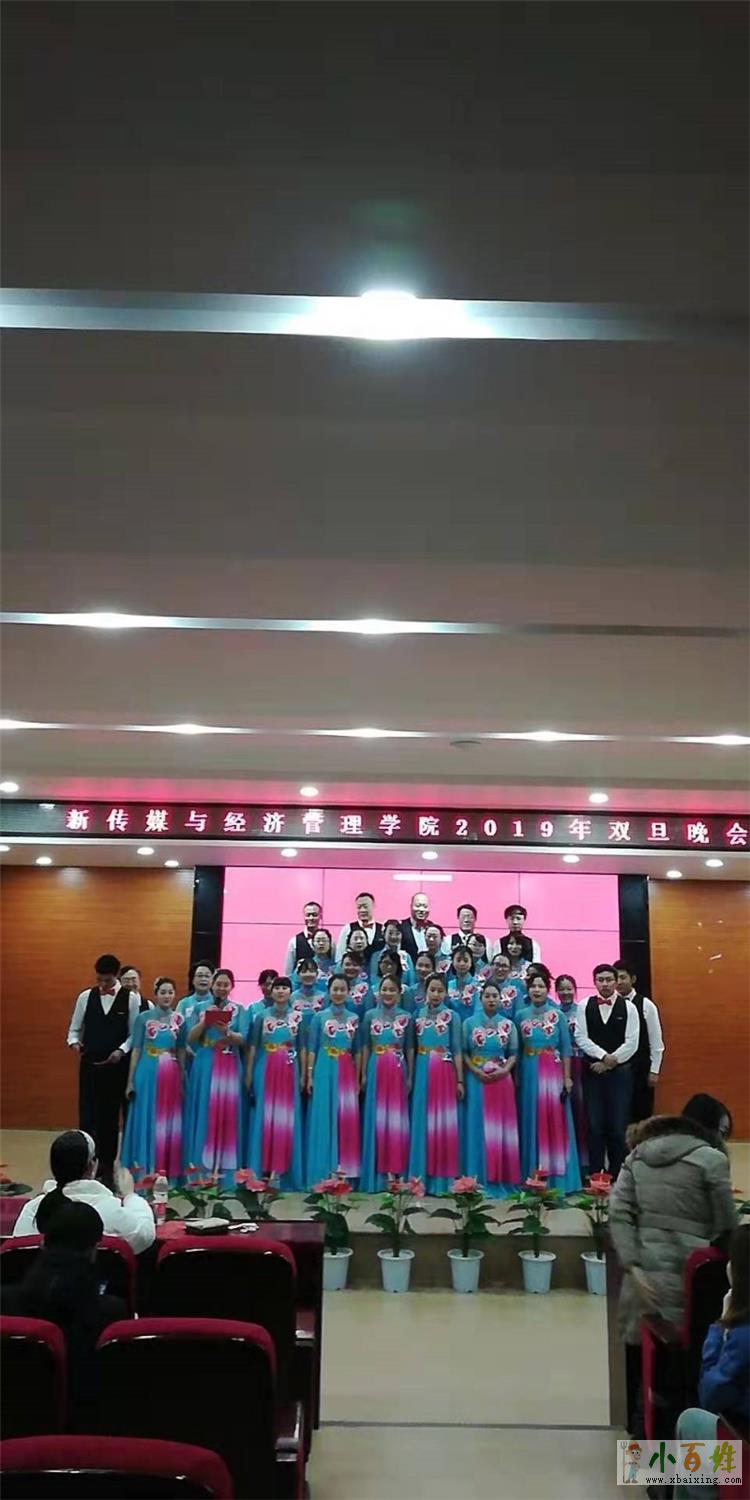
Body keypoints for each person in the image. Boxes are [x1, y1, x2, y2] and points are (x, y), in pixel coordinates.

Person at [609, 1095, 738, 1435]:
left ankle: (642, 1459)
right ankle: (681, 1464)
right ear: (709, 1128)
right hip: (692, 1288)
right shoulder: (711, 1160)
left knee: (643, 1382)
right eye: (723, 1131)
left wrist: (634, 1267)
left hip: (643, 1288)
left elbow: (618, 1214)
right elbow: (727, 1228)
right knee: (684, 1386)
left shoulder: (638, 1155)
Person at [2, 1195, 126, 1431]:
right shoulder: (111, 1312)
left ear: (42, 1244)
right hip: (86, 1434)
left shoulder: (4, 1303)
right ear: (94, 1251)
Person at [673, 1223, 749, 1498]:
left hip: (743, 1454)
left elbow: (710, 1396)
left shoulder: (743, 1336)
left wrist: (720, 1327)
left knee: (690, 1422)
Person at [13, 1128, 155, 1253]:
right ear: (92, 1166)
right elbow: (144, 1235)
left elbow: (19, 1252)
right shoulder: (111, 1209)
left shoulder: (33, 1210)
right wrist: (130, 1195)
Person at [67, 953, 141, 1188]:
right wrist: (74, 1043)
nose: (102, 984)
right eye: (99, 979)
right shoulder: (85, 997)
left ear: (116, 975)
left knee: (109, 1121)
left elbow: (134, 1035)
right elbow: (73, 1030)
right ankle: (84, 1167)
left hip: (116, 1068)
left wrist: (121, 1050)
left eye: (107, 980)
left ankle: (107, 1171)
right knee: (88, 1117)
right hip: (90, 1066)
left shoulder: (131, 999)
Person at [516, 973, 581, 1192]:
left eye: (541, 986)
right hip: (528, 1072)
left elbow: (566, 1049)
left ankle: (559, 1180)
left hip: (553, 1072)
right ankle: (532, 1176)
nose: (537, 990)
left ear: (548, 989)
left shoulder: (557, 1015)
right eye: (533, 986)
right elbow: (516, 1050)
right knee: (532, 1119)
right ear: (528, 990)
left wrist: (567, 1077)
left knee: (555, 1121)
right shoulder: (520, 1015)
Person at [183, 968, 246, 1186]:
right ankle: (200, 1170)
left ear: (231, 987)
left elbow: (243, 1039)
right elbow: (189, 1038)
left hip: (229, 1062)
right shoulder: (199, 1007)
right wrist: (205, 1022)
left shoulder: (239, 1009)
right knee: (205, 1110)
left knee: (227, 1112)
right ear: (212, 985)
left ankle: (225, 1170)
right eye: (218, 984)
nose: (221, 988)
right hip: (205, 1062)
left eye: (226, 985)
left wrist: (226, 1031)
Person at [121, 977, 187, 1183]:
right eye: (163, 992)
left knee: (168, 1119)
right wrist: (130, 1080)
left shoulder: (180, 1020)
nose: (167, 996)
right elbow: (136, 1049)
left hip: (171, 1073)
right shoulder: (143, 1018)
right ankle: (143, 1169)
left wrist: (183, 1075)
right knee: (146, 1116)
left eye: (170, 992)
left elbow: (182, 1050)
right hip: (147, 1071)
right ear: (156, 994)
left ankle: (164, 1170)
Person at [575, 963, 639, 1178]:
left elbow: (632, 1042)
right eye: (601, 980)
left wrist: (611, 1062)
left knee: (618, 1126)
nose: (605, 984)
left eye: (609, 979)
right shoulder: (584, 1005)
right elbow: (581, 1037)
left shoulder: (629, 1007)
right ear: (594, 982)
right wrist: (603, 1056)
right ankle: (595, 1173)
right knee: (594, 1125)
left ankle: (617, 1174)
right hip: (592, 1072)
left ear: (616, 981)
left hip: (620, 1074)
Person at [245, 975, 304, 1189]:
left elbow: (303, 1047)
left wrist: (304, 1075)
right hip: (265, 1068)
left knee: (286, 1118)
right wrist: (249, 1073)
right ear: (271, 991)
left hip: (289, 1069)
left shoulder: (298, 1017)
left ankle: (281, 1173)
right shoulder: (261, 1017)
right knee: (265, 1116)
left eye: (284, 988)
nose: (280, 991)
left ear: (290, 992)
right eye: (277, 988)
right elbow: (253, 1047)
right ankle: (261, 1171)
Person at [462, 982, 520, 1196]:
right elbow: (463, 1052)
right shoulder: (468, 1023)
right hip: (476, 1079)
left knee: (501, 1129)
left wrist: (505, 1070)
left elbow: (513, 1053)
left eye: (495, 996)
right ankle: (476, 1177)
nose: (491, 999)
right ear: (481, 998)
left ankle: (500, 1176)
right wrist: (474, 1071)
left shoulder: (508, 1024)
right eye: (487, 995)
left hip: (501, 1080)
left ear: (501, 999)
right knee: (476, 1127)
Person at [408, 973, 464, 1194]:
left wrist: (459, 1079)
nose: (436, 994)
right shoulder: (416, 1015)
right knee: (422, 1121)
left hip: (444, 1070)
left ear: (446, 993)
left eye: (440, 990)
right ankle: (420, 1178)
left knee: (443, 1122)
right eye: (432, 990)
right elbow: (411, 1048)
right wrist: (410, 1075)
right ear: (425, 991)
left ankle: (442, 1180)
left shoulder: (453, 1016)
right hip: (422, 1069)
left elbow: (457, 1050)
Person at [305, 975, 362, 1185]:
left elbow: (358, 1051)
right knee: (323, 1115)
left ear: (348, 992)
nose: (338, 993)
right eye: (335, 989)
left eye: (342, 989)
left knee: (344, 1117)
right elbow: (312, 1048)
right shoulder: (319, 1017)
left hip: (346, 1068)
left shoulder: (354, 1018)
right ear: (328, 991)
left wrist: (358, 1078)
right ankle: (321, 1174)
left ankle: (343, 1174)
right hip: (323, 1065)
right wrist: (309, 1075)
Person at [360, 976, 414, 1193]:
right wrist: (363, 1074)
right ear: (379, 992)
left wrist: (410, 1076)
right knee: (377, 1118)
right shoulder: (369, 1016)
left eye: (393, 990)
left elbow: (410, 1048)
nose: (388, 993)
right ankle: (378, 1174)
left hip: (399, 1069)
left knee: (397, 1119)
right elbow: (365, 1046)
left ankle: (396, 1171)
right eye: (385, 989)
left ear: (399, 993)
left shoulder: (407, 1017)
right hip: (376, 1067)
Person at [613, 960, 665, 1125]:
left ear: (633, 979)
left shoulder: (646, 1005)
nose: (619, 982)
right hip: (617, 1069)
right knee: (619, 1114)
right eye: (616, 978)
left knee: (641, 1114)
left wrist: (654, 1070)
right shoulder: (609, 1004)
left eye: (623, 977)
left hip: (641, 1068)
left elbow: (656, 1041)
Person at [554, 975, 588, 1174]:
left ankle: (584, 1163)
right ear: (556, 991)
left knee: (581, 1112)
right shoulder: (553, 1013)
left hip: (580, 1064)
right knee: (563, 1112)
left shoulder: (582, 1011)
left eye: (569, 989)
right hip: (559, 1066)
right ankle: (567, 1161)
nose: (565, 993)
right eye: (562, 989)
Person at [336, 893, 383, 962]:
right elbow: (339, 955)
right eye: (359, 907)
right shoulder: (348, 928)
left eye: (365, 907)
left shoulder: (383, 929)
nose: (362, 910)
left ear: (373, 906)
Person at [368, 918, 416, 987]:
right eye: (390, 933)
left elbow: (412, 981)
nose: (394, 937)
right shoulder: (376, 956)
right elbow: (373, 980)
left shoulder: (406, 957)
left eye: (397, 933)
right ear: (383, 934)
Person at [284, 900, 323, 975]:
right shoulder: (294, 942)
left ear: (320, 916)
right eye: (308, 915)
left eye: (314, 915)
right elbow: (288, 973)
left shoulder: (329, 941)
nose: (311, 918)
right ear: (304, 916)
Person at [175, 960, 214, 1028]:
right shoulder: (183, 1003)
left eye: (207, 976)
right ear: (192, 980)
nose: (203, 979)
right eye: (200, 975)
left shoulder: (217, 1002)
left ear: (212, 980)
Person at [446, 944, 481, 1017]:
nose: (462, 964)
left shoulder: (478, 986)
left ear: (471, 963)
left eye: (465, 960)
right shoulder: (449, 985)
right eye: (458, 960)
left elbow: (478, 1010)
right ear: (452, 962)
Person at [400, 893, 437, 963]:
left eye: (425, 906)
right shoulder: (401, 927)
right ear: (411, 906)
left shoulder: (434, 928)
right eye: (418, 906)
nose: (421, 909)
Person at [489, 951, 526, 1016]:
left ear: (510, 969)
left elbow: (519, 1015)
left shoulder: (515, 992)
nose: (500, 969)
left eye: (504, 966)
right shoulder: (481, 987)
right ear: (491, 966)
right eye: (497, 965)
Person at [340, 948, 374, 1019]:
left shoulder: (366, 988)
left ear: (361, 968)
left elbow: (369, 1013)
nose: (351, 968)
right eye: (347, 964)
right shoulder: (335, 985)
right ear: (341, 966)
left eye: (355, 965)